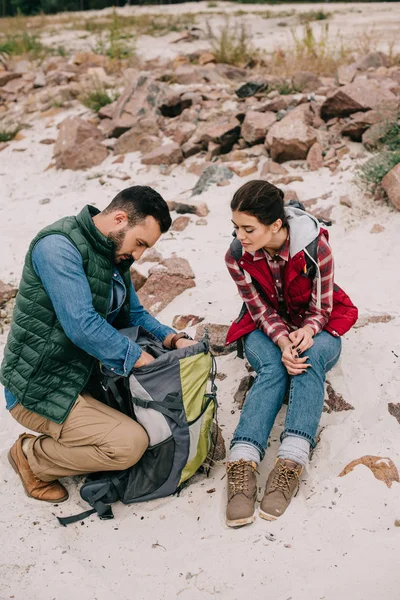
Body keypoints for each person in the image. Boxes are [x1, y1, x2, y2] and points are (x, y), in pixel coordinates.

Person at [1, 186, 195, 503]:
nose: (139, 255)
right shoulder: (57, 247)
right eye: (140, 243)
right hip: (39, 388)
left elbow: (133, 313)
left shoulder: (112, 254)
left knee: (156, 426)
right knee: (130, 445)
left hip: (85, 378)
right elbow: (81, 324)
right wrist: (141, 360)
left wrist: (172, 337)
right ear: (119, 219)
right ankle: (30, 457)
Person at [224, 180, 358, 528]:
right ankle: (242, 460)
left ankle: (290, 462)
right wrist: (283, 342)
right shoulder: (237, 255)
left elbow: (323, 306)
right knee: (272, 367)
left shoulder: (316, 248)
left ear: (276, 225)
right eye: (236, 227)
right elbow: (258, 310)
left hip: (317, 322)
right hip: (265, 326)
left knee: (307, 362)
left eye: (248, 228)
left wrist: (307, 332)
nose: (240, 236)